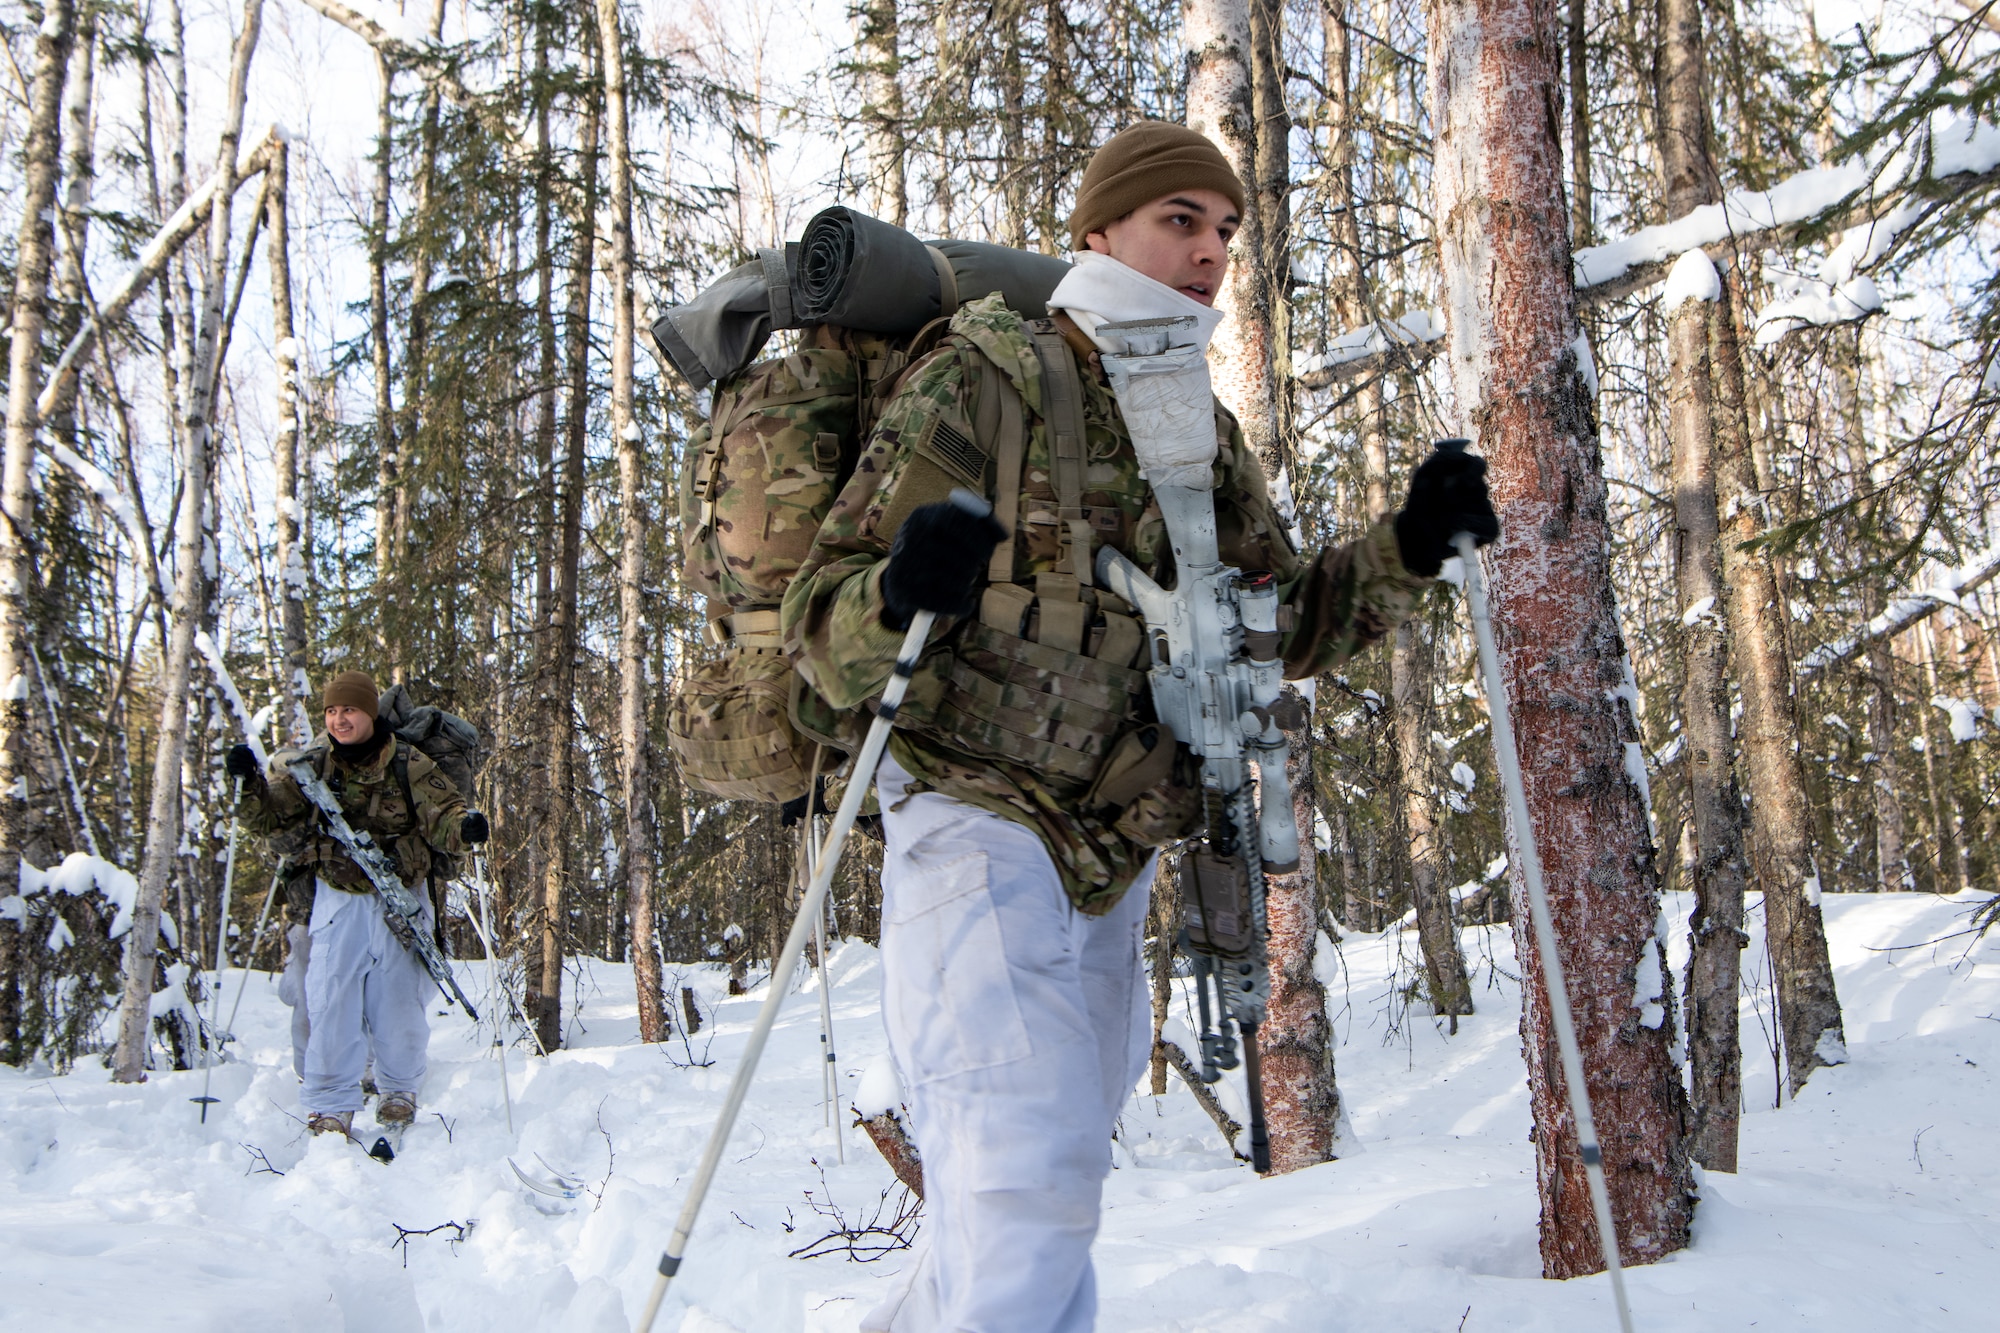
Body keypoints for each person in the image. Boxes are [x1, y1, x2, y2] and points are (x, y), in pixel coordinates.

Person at [782, 120, 1497, 1332]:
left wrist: (1408, 547)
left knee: (1035, 1172)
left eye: (1224, 230)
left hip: (1112, 846)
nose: (1210, 250)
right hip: (975, 810)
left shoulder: (1196, 427)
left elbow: (1277, 625)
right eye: (1178, 220)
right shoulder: (989, 373)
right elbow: (819, 627)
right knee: (1024, 1173)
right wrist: (903, 583)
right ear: (1098, 232)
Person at [226, 671, 488, 1138]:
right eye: (331, 711)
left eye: (348, 710)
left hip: (401, 894)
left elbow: (442, 812)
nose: (339, 719)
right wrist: (248, 783)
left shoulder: (408, 763)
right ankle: (330, 1103)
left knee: (399, 999)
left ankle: (398, 1092)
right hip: (338, 895)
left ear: (369, 713)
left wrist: (463, 828)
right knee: (332, 998)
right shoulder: (313, 765)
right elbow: (272, 816)